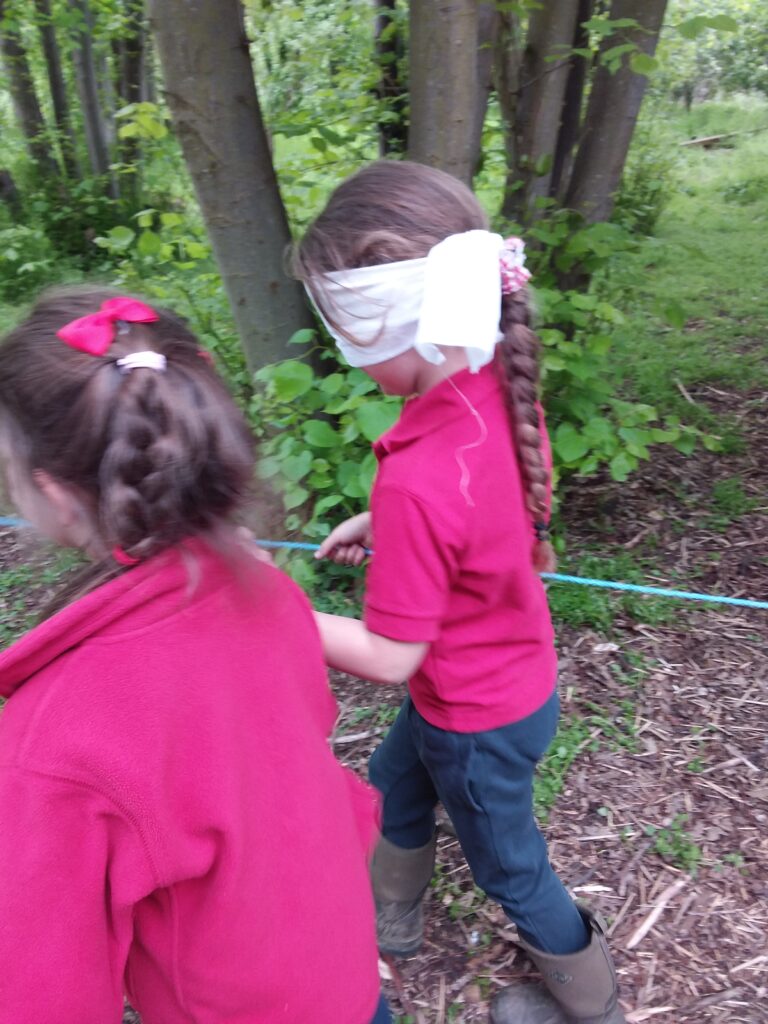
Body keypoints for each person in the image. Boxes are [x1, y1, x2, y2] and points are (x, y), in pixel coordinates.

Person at [0, 288, 390, 1024]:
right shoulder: (268, 594)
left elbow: (41, 998)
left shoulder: (53, 741)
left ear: (51, 491)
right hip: (340, 970)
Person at [294, 161, 626, 1024]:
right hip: (502, 677)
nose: (342, 349)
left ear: (391, 325)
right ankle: (392, 914)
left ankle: (591, 1003)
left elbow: (389, 653)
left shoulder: (421, 481)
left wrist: (277, 608)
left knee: (509, 863)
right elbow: (473, 513)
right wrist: (384, 525)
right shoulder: (494, 391)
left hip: (475, 719)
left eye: (343, 328)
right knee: (395, 779)